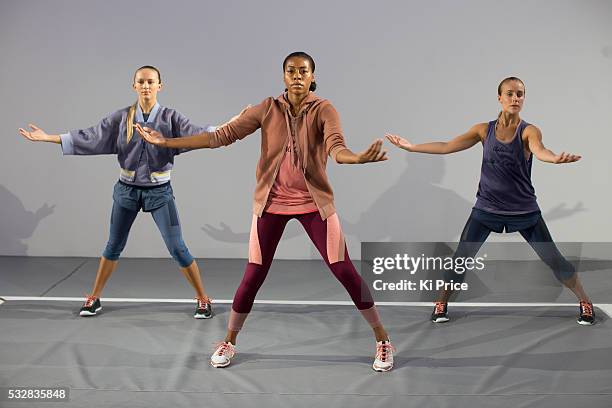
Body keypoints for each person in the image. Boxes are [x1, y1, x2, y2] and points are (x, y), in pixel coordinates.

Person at [136, 52, 395, 371]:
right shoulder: (267, 108)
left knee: (344, 270)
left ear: (313, 76)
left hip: (314, 203)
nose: (297, 76)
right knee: (253, 274)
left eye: (303, 71)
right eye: (291, 71)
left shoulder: (324, 109)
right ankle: (229, 340)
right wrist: (166, 142)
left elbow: (336, 146)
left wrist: (355, 158)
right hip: (271, 204)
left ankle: (382, 339)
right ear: (283, 77)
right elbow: (221, 136)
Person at [18, 65, 241, 319]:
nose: (146, 86)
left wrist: (230, 124)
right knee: (113, 245)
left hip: (159, 192)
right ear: (134, 86)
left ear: (160, 85)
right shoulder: (122, 118)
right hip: (126, 191)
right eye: (141, 82)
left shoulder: (170, 118)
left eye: (151, 82)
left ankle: (203, 298)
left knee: (178, 248)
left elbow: (200, 133)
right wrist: (48, 137)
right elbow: (91, 136)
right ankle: (94, 298)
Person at [386, 76, 594, 326]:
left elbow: (540, 150)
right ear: (499, 98)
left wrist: (554, 159)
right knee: (460, 259)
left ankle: (585, 301)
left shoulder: (529, 131)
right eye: (510, 93)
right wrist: (412, 147)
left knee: (554, 259)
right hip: (486, 209)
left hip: (523, 211)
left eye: (520, 94)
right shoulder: (483, 130)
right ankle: (441, 303)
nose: (515, 98)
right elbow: (447, 146)